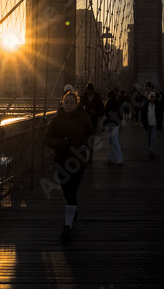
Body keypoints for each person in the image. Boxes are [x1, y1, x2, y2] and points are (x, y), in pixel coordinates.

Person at [45, 91, 95, 240]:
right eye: (66, 102)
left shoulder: (83, 119)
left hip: (78, 161)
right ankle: (73, 209)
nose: (68, 105)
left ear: (76, 104)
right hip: (61, 161)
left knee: (71, 191)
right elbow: (47, 139)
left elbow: (91, 135)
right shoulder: (55, 120)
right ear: (62, 103)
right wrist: (59, 142)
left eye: (71, 102)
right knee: (67, 191)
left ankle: (67, 227)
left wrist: (86, 145)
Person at [80, 83, 105, 163]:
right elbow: (79, 109)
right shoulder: (82, 98)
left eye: (90, 91)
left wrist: (95, 112)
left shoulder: (97, 99)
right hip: (84, 122)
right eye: (87, 91)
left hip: (93, 122)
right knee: (83, 140)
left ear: (93, 91)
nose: (89, 93)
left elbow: (102, 111)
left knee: (91, 140)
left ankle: (90, 157)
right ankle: (84, 156)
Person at [103, 89, 124, 165]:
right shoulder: (116, 103)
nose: (108, 98)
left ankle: (119, 158)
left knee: (114, 140)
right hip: (113, 123)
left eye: (109, 96)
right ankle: (112, 158)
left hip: (113, 124)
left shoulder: (111, 103)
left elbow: (108, 114)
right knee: (112, 141)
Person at [139, 92, 162, 157]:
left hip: (155, 124)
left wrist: (160, 124)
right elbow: (143, 114)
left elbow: (160, 115)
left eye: (153, 97)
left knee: (153, 138)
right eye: (151, 97)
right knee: (149, 137)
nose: (151, 98)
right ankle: (150, 148)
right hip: (148, 124)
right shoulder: (146, 105)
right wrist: (143, 122)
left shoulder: (157, 105)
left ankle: (152, 150)